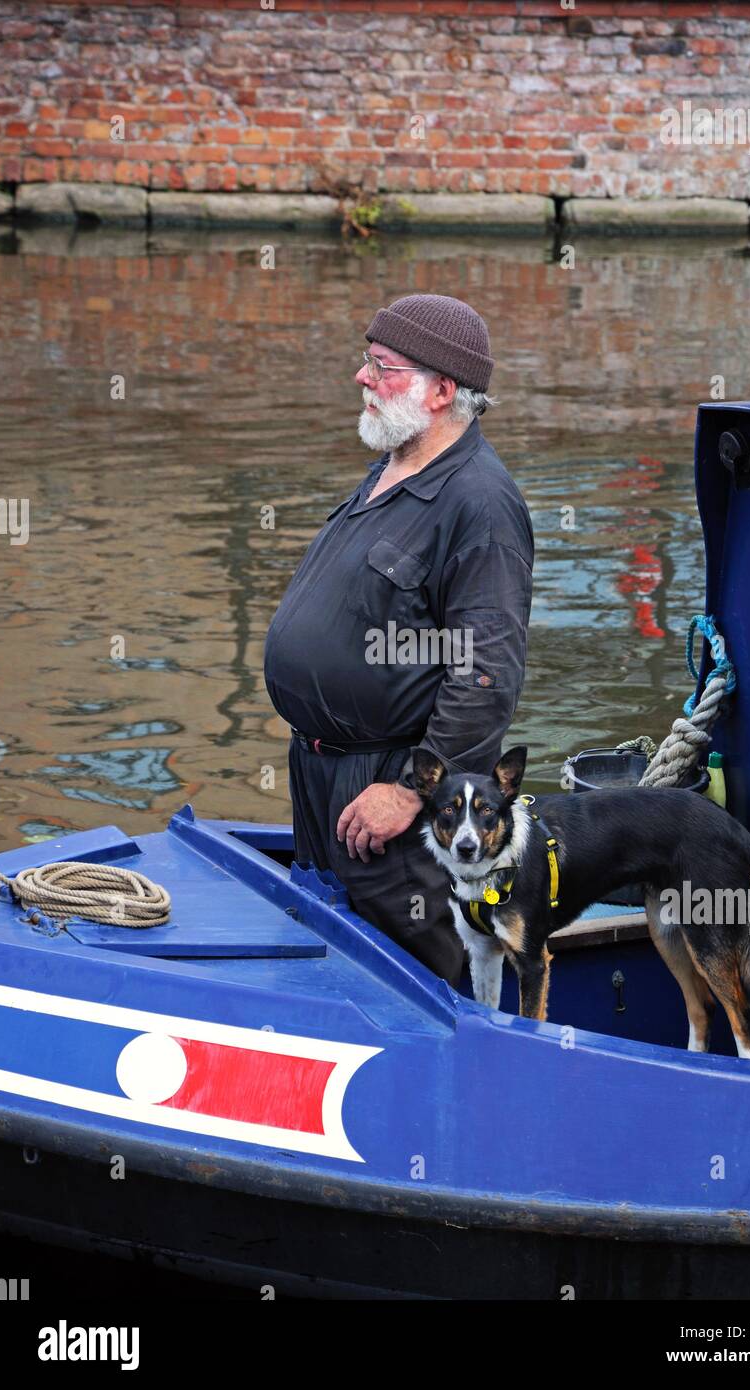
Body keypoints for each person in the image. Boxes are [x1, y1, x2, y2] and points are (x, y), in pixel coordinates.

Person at [263, 293, 534, 986]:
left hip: (388, 787)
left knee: (415, 974)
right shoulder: (392, 463)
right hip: (322, 775)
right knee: (335, 962)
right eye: (367, 361)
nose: (363, 379)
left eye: (383, 368)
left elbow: (485, 672)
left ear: (442, 390)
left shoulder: (479, 504)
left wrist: (412, 791)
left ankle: (456, 1084)